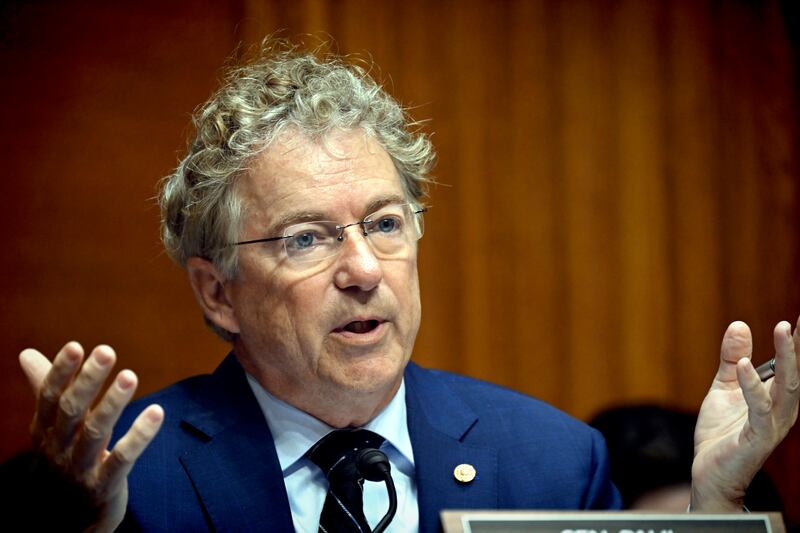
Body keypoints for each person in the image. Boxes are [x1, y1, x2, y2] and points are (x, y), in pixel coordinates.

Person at [16, 40, 800, 532]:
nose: (363, 269)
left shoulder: (551, 461)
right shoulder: (125, 483)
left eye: (385, 223)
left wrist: (713, 508)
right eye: (307, 238)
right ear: (218, 292)